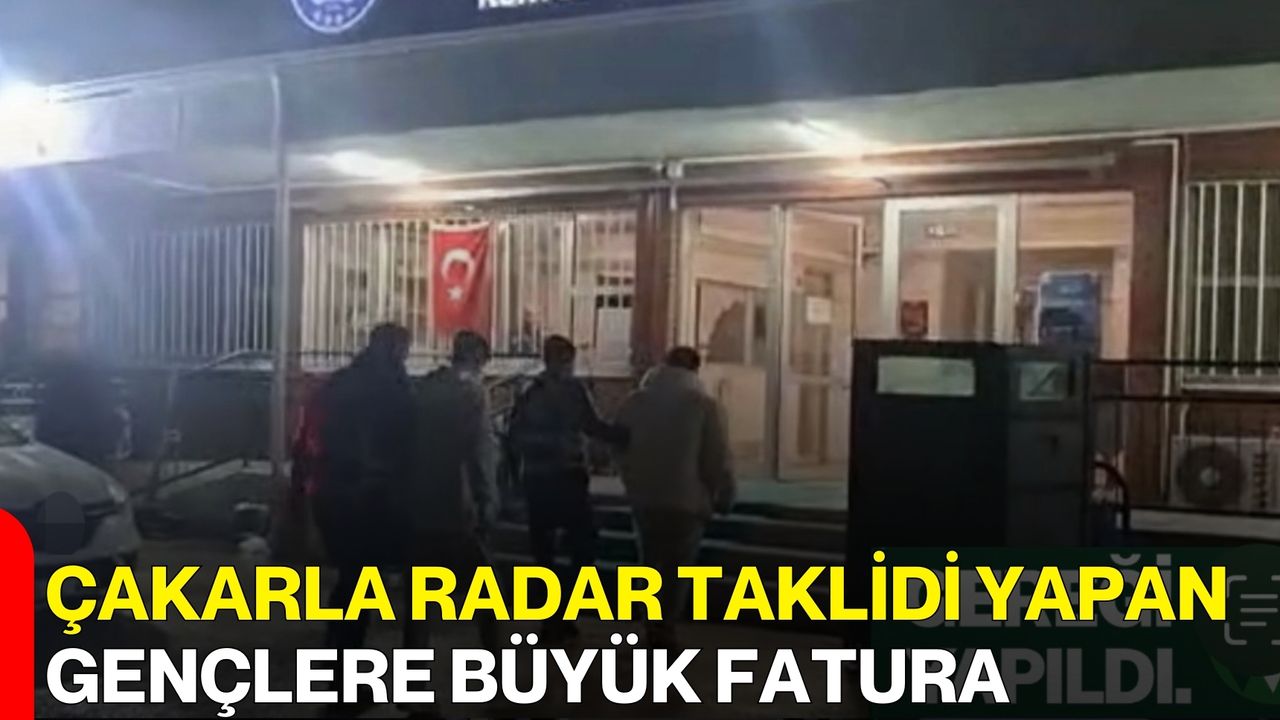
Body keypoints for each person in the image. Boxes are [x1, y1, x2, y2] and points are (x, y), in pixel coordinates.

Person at [508, 335, 626, 641]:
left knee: (543, 552)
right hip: (568, 476)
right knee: (582, 547)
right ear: (565, 360)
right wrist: (624, 435)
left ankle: (551, 618)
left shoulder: (530, 392)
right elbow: (592, 425)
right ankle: (564, 613)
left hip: (537, 478)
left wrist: (514, 477)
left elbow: (514, 435)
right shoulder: (573, 391)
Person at [616, 346, 735, 648]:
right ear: (695, 369)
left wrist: (631, 482)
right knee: (676, 568)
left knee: (649, 562)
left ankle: (650, 626)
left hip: (644, 498)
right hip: (685, 500)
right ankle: (665, 629)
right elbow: (716, 456)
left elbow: (619, 447)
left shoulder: (634, 402)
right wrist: (723, 492)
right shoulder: (703, 405)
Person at [311, 324, 415, 656]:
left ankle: (337, 649)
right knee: (363, 579)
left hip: (334, 490)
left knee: (351, 576)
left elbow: (317, 433)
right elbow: (404, 437)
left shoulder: (341, 381)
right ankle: (346, 656)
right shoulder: (391, 386)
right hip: (370, 494)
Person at [404, 330, 501, 654]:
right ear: (477, 358)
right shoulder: (472, 393)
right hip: (458, 503)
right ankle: (494, 663)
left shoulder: (425, 388)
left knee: (420, 594)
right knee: (487, 591)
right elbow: (478, 453)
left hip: (421, 501)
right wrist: (486, 500)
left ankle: (413, 668)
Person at [35, 353, 123, 470]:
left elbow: (44, 426)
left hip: (62, 452)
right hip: (89, 452)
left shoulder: (57, 388)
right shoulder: (95, 387)